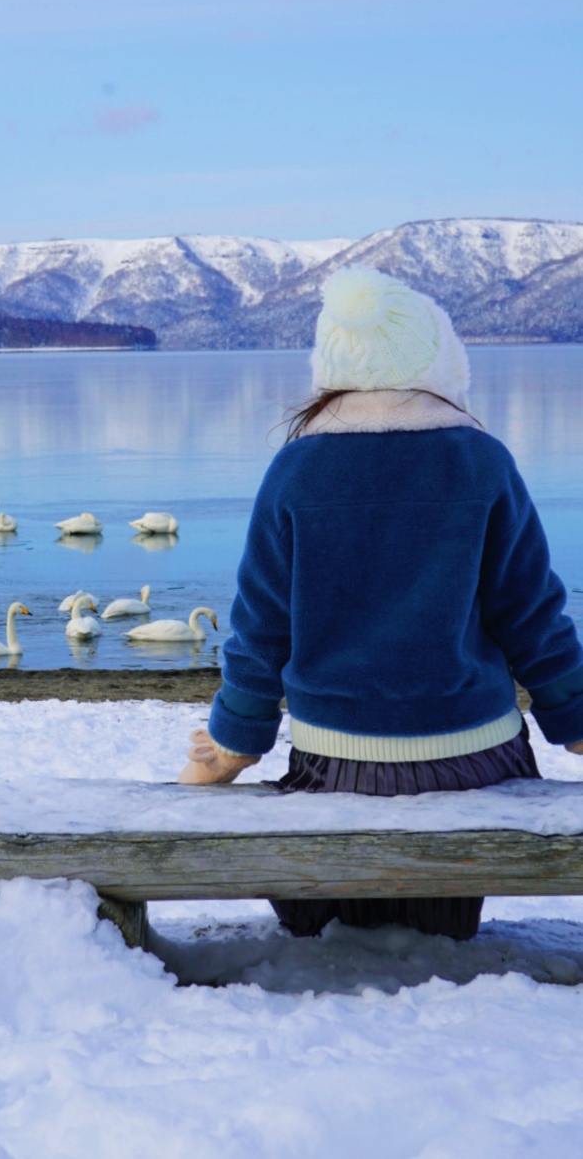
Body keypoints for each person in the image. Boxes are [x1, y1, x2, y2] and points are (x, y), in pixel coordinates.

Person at [180, 264, 583, 941]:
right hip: (475, 760)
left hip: (338, 762)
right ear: (440, 366)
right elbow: (534, 617)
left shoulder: (296, 469)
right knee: (436, 917)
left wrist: (232, 746)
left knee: (320, 915)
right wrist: (574, 721)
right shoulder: (481, 460)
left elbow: (259, 633)